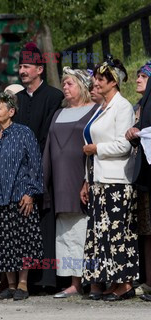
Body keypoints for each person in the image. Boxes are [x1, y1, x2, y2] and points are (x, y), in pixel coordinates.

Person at [80, 57, 139, 301]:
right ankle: (111, 280)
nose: (96, 83)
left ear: (113, 82)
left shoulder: (122, 106)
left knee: (118, 231)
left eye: (100, 79)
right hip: (97, 178)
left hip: (116, 180)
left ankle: (125, 283)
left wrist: (97, 149)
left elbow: (124, 145)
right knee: (102, 233)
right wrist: (86, 180)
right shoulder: (100, 107)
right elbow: (88, 143)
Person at [0, 91, 43, 301]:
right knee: (4, 243)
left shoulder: (24, 133)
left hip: (20, 196)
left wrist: (31, 192)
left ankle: (23, 284)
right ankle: (11, 284)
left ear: (11, 111)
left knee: (23, 241)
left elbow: (35, 164)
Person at [42, 68, 98, 298]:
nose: (65, 87)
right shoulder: (57, 114)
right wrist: (43, 180)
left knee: (85, 230)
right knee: (65, 232)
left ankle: (92, 280)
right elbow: (48, 149)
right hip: (60, 180)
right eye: (64, 84)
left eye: (70, 84)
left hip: (81, 177)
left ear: (83, 86)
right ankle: (74, 282)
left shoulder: (95, 110)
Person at [14, 42, 64, 290]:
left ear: (39, 69)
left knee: (46, 221)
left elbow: (48, 135)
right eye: (20, 66)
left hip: (47, 167)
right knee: (25, 225)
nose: (22, 71)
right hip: (20, 173)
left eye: (27, 66)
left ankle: (50, 279)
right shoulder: (17, 100)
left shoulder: (54, 96)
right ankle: (30, 280)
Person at [125, 61, 151, 300]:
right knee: (146, 231)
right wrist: (133, 133)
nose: (138, 79)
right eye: (137, 75)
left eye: (143, 75)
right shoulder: (140, 106)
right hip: (143, 177)